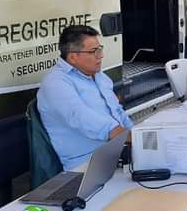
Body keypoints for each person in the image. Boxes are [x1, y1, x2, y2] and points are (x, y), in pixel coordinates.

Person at [37, 25, 132, 170]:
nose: (100, 56)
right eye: (94, 51)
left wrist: (138, 136)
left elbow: (117, 111)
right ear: (73, 56)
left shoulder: (99, 76)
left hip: (117, 154)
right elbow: (81, 117)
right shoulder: (55, 83)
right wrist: (123, 135)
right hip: (86, 165)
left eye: (100, 49)